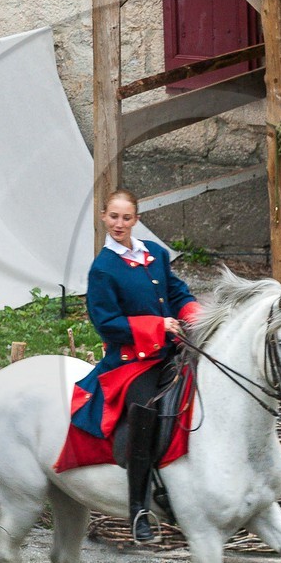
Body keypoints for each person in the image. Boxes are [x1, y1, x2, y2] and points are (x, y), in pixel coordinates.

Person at [70, 190, 202, 542]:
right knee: (144, 410)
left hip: (171, 351)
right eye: (113, 217)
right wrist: (156, 326)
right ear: (103, 217)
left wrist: (195, 316)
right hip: (132, 361)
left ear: (136, 219)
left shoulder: (155, 253)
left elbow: (177, 294)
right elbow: (106, 323)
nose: (119, 224)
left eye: (126, 218)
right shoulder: (102, 269)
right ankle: (139, 509)